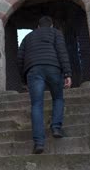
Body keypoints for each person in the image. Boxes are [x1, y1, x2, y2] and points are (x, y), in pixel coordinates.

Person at [17, 16, 72, 154]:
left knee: (36, 104)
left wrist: (24, 80)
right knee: (58, 98)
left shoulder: (28, 37)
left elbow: (20, 58)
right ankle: (56, 127)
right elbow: (62, 52)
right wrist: (67, 74)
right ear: (52, 25)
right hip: (53, 67)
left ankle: (39, 143)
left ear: (38, 26)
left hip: (34, 70)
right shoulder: (56, 33)